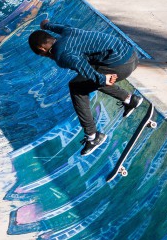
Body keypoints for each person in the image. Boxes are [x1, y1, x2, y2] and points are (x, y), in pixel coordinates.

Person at [28, 19, 143, 156]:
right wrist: (46, 25)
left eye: (42, 55)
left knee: (77, 87)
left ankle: (93, 136)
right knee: (87, 80)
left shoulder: (61, 54)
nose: (47, 57)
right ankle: (130, 99)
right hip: (131, 54)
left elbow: (80, 65)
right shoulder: (68, 31)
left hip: (120, 66)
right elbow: (60, 26)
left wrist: (102, 79)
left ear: (42, 49)